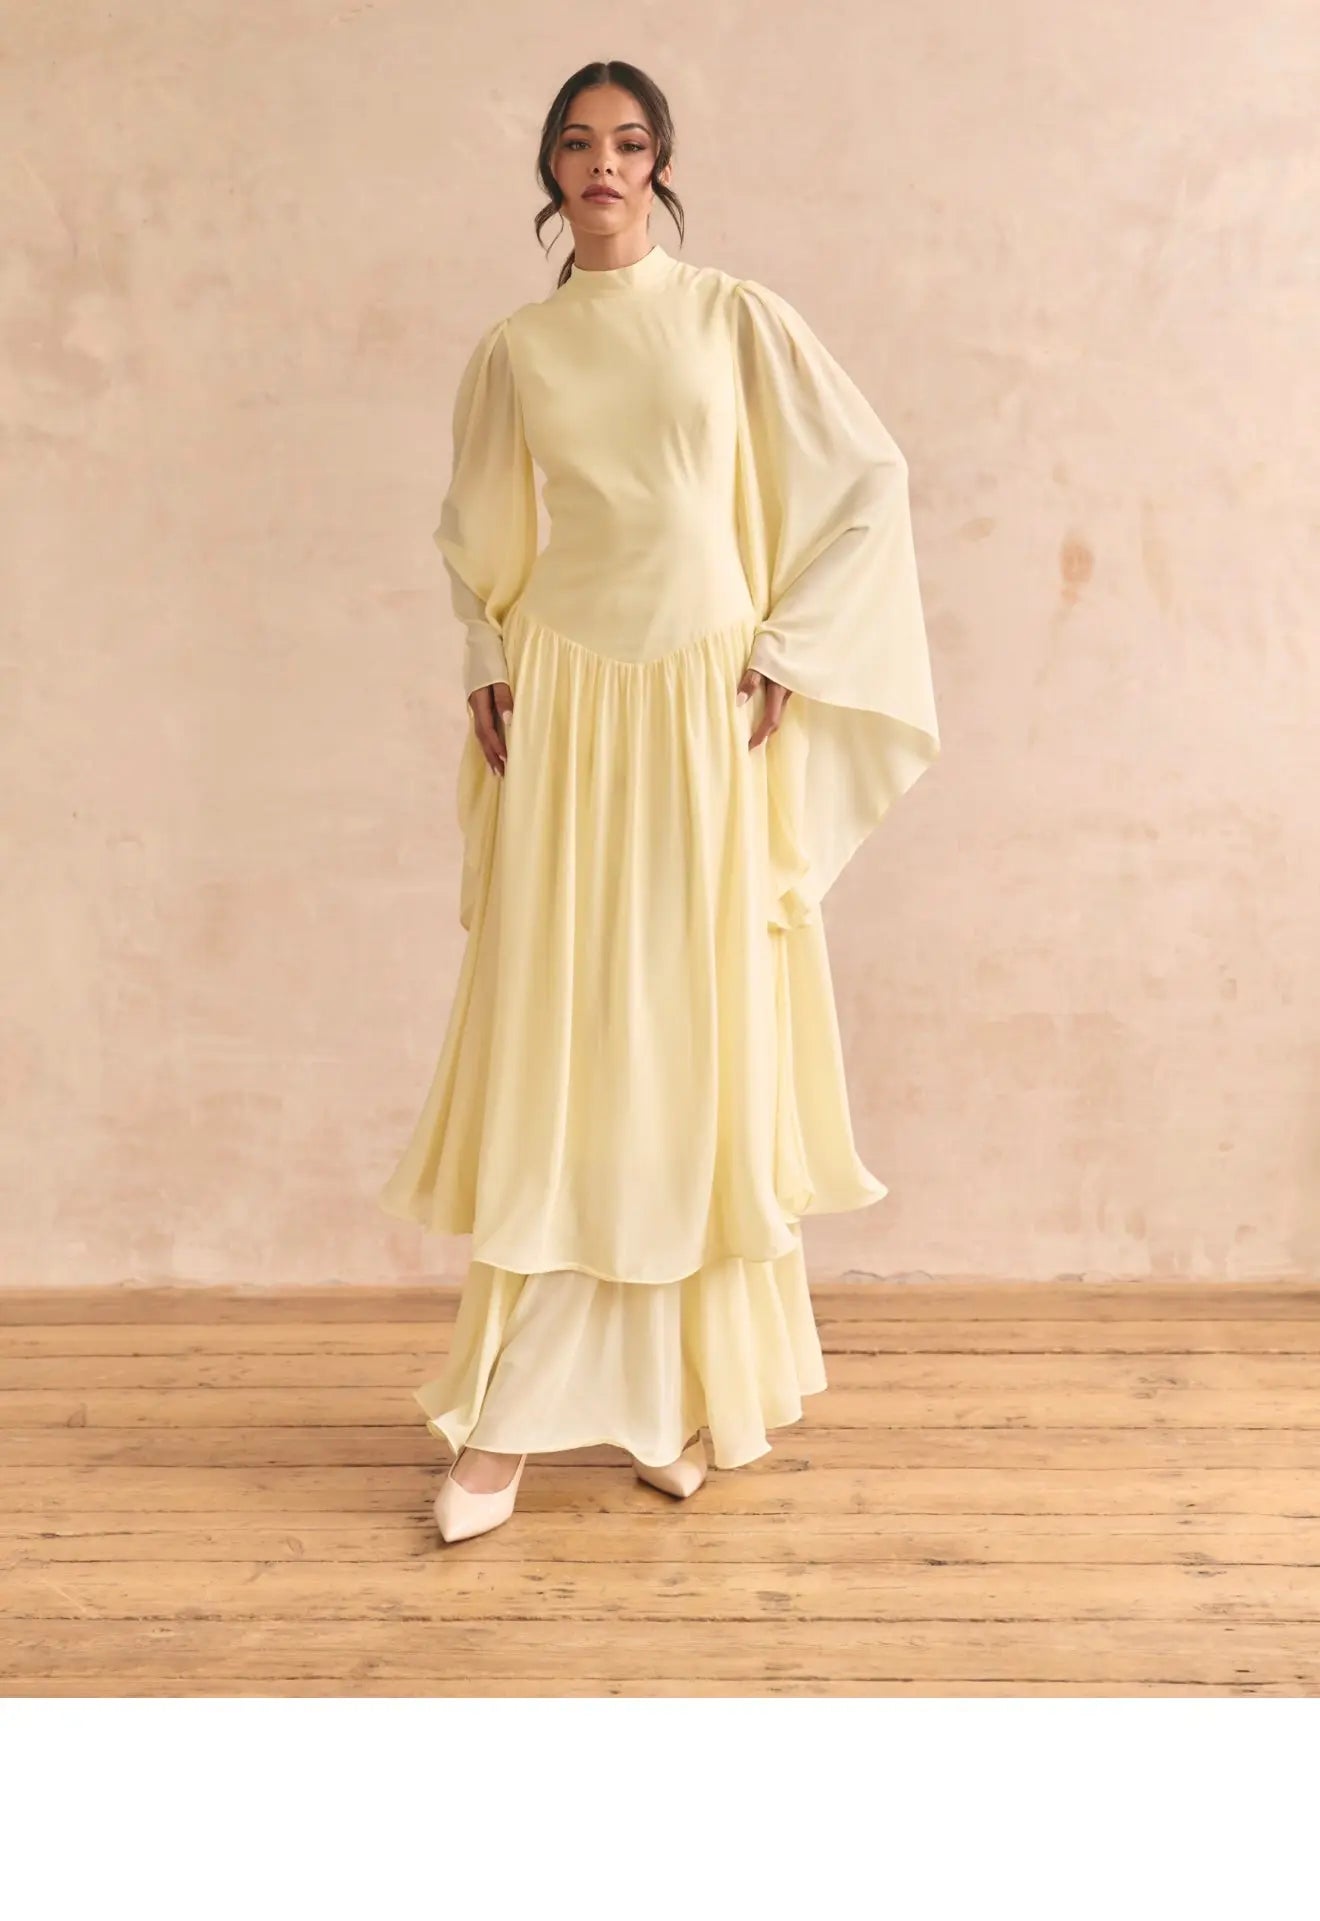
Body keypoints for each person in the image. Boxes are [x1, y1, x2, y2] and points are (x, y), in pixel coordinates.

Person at [377, 59, 940, 1544]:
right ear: (551, 172)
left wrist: (790, 647)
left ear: (662, 165)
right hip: (571, 701)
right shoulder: (516, 350)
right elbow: (475, 535)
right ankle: (510, 1411)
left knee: (691, 1028)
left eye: (630, 143)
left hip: (700, 702)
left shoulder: (734, 319)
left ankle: (688, 1399)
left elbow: (865, 481)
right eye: (579, 143)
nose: (604, 165)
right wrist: (488, 658)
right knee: (568, 1030)